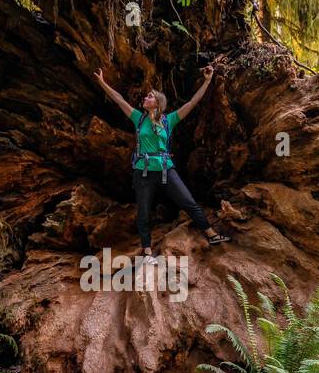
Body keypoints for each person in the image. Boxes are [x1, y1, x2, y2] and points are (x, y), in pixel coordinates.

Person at [93, 62, 231, 255]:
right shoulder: (138, 118)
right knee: (143, 212)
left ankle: (210, 233)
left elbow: (192, 102)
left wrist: (207, 81)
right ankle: (147, 251)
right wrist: (102, 82)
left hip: (166, 169)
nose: (145, 98)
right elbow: (119, 99)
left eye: (150, 96)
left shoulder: (169, 120)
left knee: (188, 201)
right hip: (144, 171)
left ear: (158, 103)